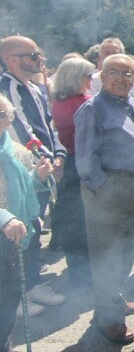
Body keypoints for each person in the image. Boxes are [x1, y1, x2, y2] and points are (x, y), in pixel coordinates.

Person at [74, 54, 134, 344]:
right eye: (114, 72)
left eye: (128, 73)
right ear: (102, 77)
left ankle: (114, 299)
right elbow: (84, 160)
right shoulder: (92, 109)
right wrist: (103, 189)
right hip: (108, 189)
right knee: (107, 256)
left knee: (130, 248)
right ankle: (109, 319)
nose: (121, 78)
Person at [0, 35, 66, 309]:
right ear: (11, 60)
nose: (41, 59)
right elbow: (21, 130)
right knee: (17, 232)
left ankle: (31, 285)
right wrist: (45, 160)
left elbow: (50, 126)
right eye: (33, 55)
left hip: (38, 169)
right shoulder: (6, 89)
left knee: (34, 227)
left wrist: (58, 155)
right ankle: (17, 294)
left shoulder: (35, 88)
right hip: (17, 171)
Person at [0, 94, 54, 349]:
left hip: (14, 236)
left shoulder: (18, 151)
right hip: (6, 227)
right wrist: (3, 217)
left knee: (8, 298)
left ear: (11, 118)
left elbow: (26, 188)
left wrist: (38, 176)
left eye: (2, 114)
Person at [49, 57, 97, 289]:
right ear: (78, 77)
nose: (91, 80)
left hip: (67, 163)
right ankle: (86, 277)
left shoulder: (56, 102)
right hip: (83, 165)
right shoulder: (86, 103)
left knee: (72, 220)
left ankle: (77, 274)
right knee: (86, 223)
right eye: (89, 76)